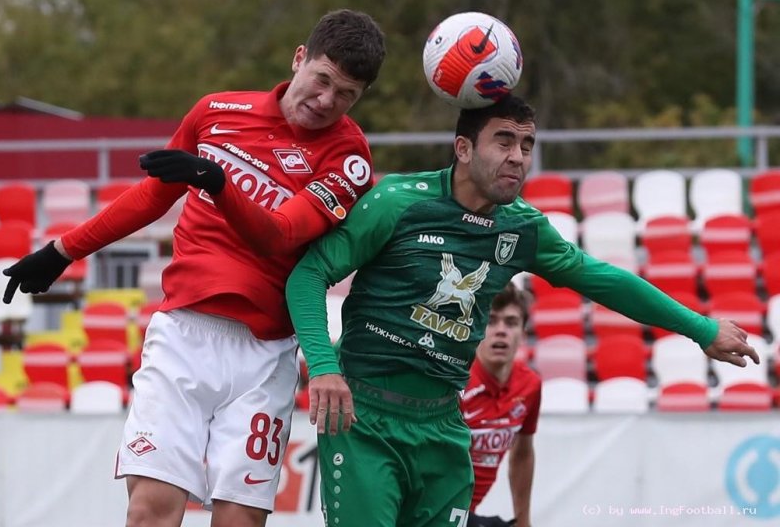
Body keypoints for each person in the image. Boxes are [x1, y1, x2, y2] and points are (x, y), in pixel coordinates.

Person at [284, 94, 759, 527]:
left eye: (527, 145)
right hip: (366, 422)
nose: (518, 157)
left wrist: (700, 328)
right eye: (504, 141)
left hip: (444, 430)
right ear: (463, 149)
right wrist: (323, 367)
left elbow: (605, 280)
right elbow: (308, 275)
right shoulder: (399, 202)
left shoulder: (523, 228)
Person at [2, 9, 385, 527]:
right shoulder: (216, 111)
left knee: (237, 522)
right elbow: (150, 198)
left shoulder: (349, 156)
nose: (327, 102)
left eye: (346, 95)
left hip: (264, 355)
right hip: (182, 336)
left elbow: (280, 236)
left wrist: (217, 182)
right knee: (151, 512)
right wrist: (63, 251)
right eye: (323, 81)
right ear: (299, 58)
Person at [462, 283, 539, 527]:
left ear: (523, 333)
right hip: (432, 509)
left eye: (511, 322)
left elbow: (523, 454)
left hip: (467, 513)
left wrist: (524, 521)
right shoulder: (456, 381)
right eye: (491, 321)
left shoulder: (530, 385)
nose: (501, 331)